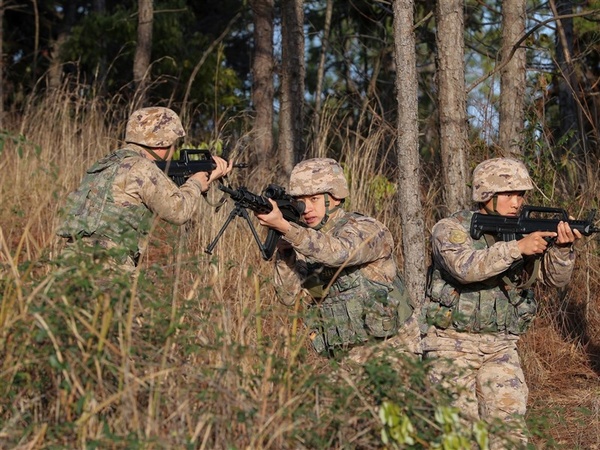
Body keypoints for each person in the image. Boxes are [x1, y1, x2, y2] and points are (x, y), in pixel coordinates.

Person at [421, 157, 582, 448]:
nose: (516, 201)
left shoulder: (522, 230)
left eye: (520, 194)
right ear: (485, 194)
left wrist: (562, 249)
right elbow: (465, 267)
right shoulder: (450, 228)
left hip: (500, 346)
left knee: (509, 434)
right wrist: (517, 248)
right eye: (508, 193)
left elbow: (554, 280)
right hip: (450, 344)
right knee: (458, 437)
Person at [254, 157, 421, 362]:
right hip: (346, 357)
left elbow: (338, 253)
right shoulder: (304, 240)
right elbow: (287, 297)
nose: (306, 209)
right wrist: (285, 252)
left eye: (314, 199)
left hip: (393, 349)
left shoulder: (366, 228)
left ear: (335, 197)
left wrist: (287, 229)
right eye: (301, 202)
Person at [56, 106, 232, 271]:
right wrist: (196, 183)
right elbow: (179, 212)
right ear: (162, 144)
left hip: (71, 259)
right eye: (173, 143)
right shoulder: (143, 168)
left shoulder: (107, 163)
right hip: (108, 264)